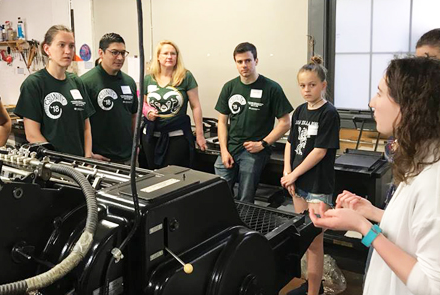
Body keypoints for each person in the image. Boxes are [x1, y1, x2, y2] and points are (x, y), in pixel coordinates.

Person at [310, 57, 440, 295]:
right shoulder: (428, 162)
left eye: (380, 93)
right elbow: (420, 233)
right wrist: (371, 212)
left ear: (412, 106)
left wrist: (365, 229)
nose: (372, 103)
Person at [281, 56, 340, 295]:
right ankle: (311, 286)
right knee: (304, 239)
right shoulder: (299, 110)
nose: (306, 90)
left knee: (315, 243)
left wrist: (294, 173)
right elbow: (290, 143)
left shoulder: (329, 113)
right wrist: (287, 173)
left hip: (317, 185)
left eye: (312, 85)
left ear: (323, 85)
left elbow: (320, 151)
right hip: (297, 183)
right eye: (302, 85)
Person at [214, 42, 292, 203]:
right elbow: (222, 121)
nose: (244, 65)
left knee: (245, 195)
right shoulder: (229, 87)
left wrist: (263, 144)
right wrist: (223, 150)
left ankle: (244, 224)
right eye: (240, 61)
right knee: (218, 192)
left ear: (256, 61)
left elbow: (285, 122)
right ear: (235, 63)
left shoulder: (271, 88)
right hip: (231, 147)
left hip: (255, 151)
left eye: (248, 61)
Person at [15, 25, 95, 157]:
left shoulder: (76, 82)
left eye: (71, 46)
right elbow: (32, 135)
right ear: (47, 49)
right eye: (61, 45)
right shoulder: (34, 84)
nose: (68, 51)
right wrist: (57, 162)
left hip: (80, 165)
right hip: (52, 166)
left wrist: (87, 159)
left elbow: (86, 127)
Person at [142, 40, 207, 169]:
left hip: (176, 137)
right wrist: (147, 111)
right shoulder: (148, 79)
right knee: (152, 175)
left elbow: (196, 106)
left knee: (171, 175)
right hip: (151, 136)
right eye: (165, 53)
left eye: (173, 53)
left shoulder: (185, 76)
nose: (169, 57)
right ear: (158, 57)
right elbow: (142, 103)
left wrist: (200, 135)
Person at [81, 33, 138, 164]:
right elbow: (80, 123)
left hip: (128, 157)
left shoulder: (129, 82)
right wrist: (89, 154)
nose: (120, 58)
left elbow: (133, 116)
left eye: (123, 53)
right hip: (101, 159)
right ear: (101, 53)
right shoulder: (86, 83)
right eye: (114, 52)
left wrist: (136, 144)